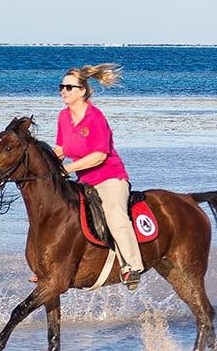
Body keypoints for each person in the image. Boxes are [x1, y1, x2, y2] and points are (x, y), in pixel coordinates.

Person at [53, 63, 143, 288]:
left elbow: (99, 156)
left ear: (82, 91)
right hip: (84, 182)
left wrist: (67, 170)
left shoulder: (95, 117)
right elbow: (61, 150)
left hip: (110, 178)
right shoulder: (64, 117)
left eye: (69, 87)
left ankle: (132, 267)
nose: (63, 90)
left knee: (115, 216)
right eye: (61, 86)